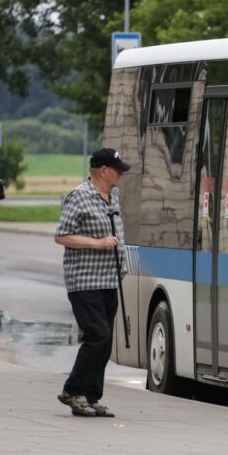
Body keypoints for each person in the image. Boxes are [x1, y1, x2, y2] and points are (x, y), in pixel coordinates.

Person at [54, 148, 131, 417]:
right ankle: (71, 390)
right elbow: (62, 235)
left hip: (109, 280)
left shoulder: (113, 195)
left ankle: (91, 396)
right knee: (98, 336)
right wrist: (98, 243)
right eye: (117, 168)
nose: (120, 173)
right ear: (103, 170)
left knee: (106, 341)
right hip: (84, 281)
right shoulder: (79, 196)